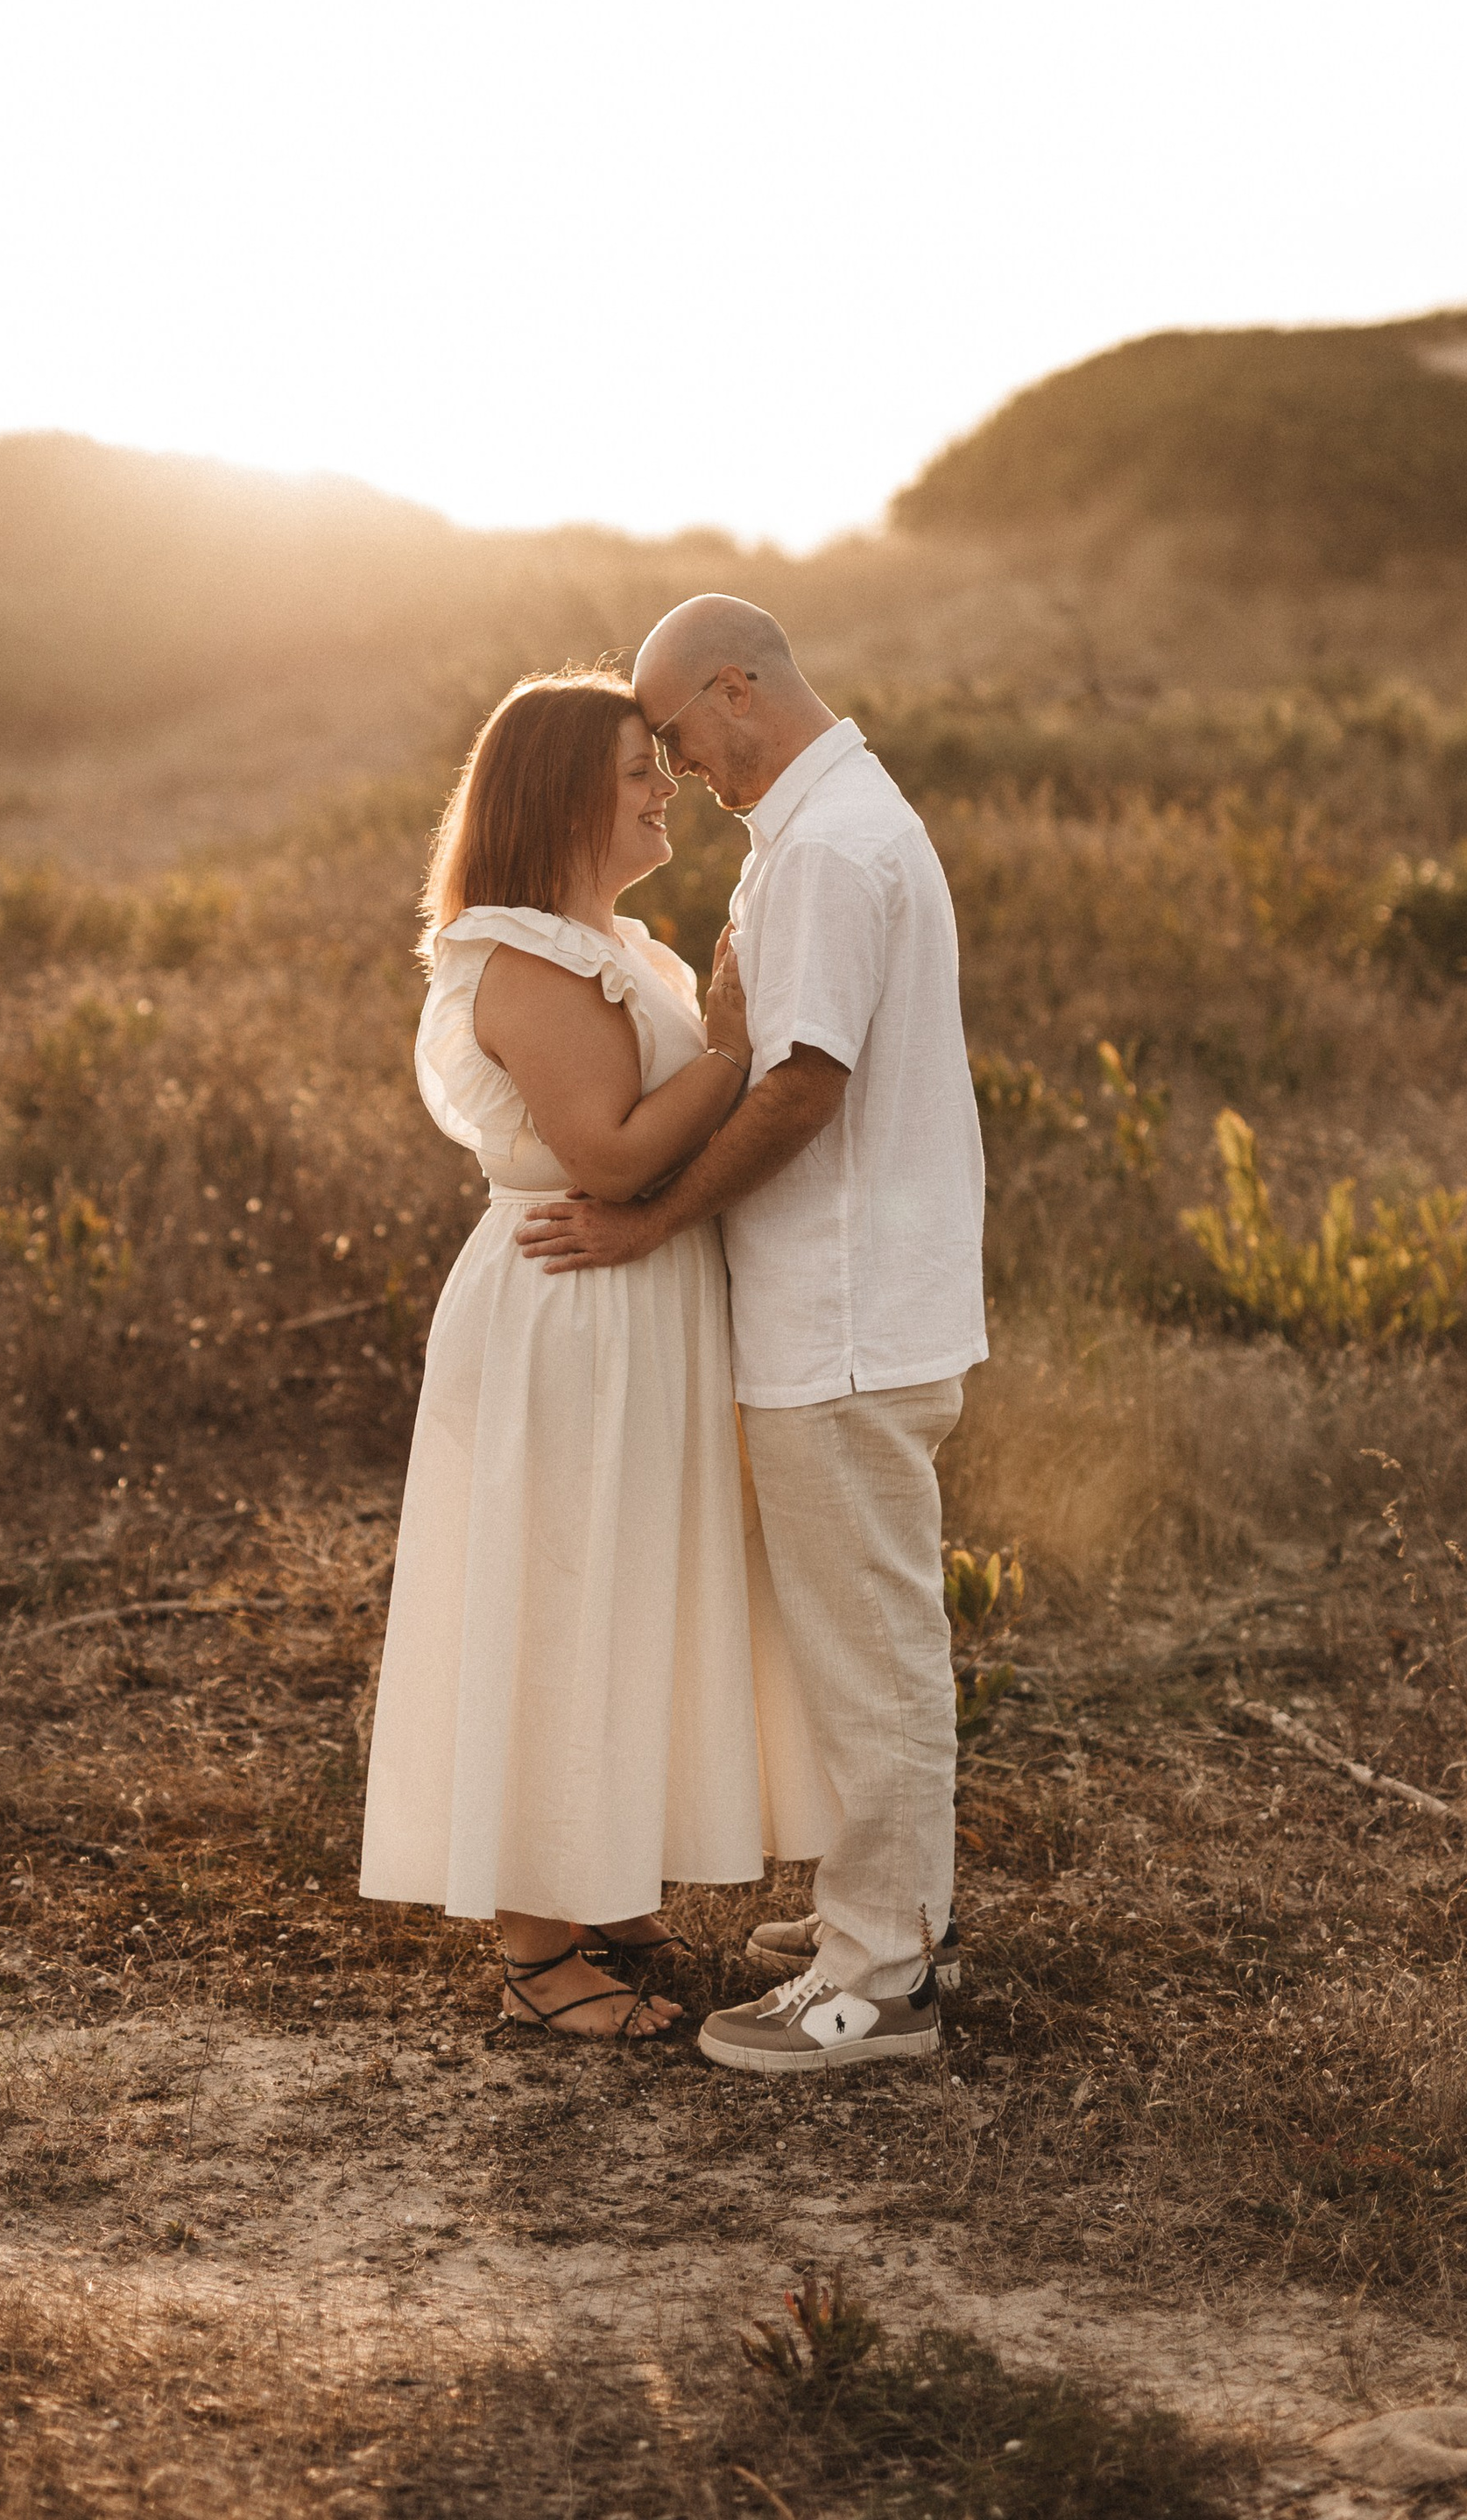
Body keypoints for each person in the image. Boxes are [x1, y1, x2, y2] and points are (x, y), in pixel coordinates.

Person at [518, 598, 986, 2076]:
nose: (669, 764)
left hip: (844, 1320)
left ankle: (882, 1982)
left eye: (672, 730)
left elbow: (800, 1089)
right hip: (844, 1310)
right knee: (856, 1638)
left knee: (872, 1650)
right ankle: (887, 1907)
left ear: (737, 687)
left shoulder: (835, 848)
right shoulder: (819, 826)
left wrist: (650, 1225)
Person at [358, 669, 834, 2039]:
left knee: (631, 1586)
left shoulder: (626, 948)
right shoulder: (522, 954)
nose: (663, 788)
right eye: (637, 768)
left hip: (644, 1301)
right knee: (556, 1590)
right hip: (571, 1308)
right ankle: (534, 1952)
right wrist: (740, 1052)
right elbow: (614, 1152)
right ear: (563, 793)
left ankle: (607, 1899)